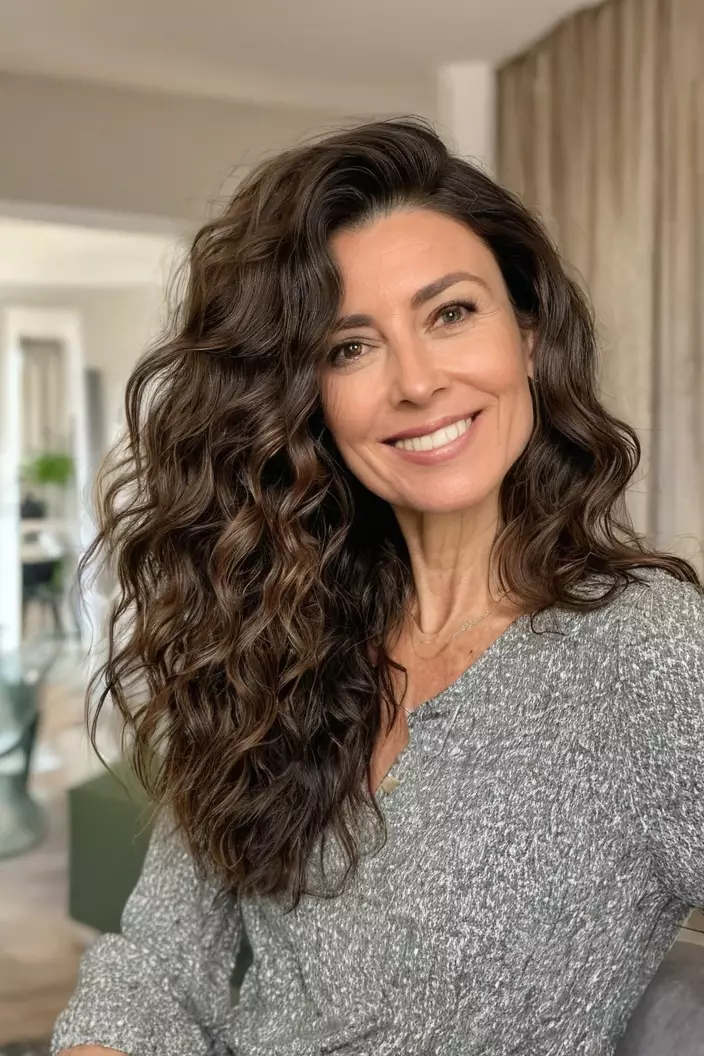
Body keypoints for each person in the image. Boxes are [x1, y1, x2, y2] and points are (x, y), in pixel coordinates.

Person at [53, 118, 703, 1056]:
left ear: (527, 337)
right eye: (351, 347)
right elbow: (158, 967)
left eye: (451, 314)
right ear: (307, 396)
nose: (416, 381)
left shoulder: (642, 655)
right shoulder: (279, 630)